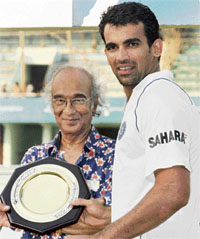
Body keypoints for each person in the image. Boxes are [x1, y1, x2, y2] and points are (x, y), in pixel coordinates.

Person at [67, 2, 200, 239]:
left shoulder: (159, 96)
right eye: (112, 47)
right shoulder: (144, 98)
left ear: (156, 48)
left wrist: (102, 238)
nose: (122, 56)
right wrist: (112, 215)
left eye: (132, 44)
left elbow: (174, 191)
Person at [0, 64, 115, 239]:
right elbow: (16, 219)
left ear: (94, 103)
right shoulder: (35, 156)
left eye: (78, 99)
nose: (68, 110)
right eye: (60, 100)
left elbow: (125, 222)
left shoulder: (117, 155)